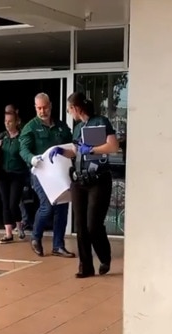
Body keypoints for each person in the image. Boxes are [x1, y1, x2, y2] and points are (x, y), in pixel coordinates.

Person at [49, 92, 120, 278]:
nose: (68, 112)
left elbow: (113, 146)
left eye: (69, 108)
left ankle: (105, 257)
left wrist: (92, 149)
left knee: (93, 225)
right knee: (80, 226)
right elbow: (75, 150)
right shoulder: (78, 127)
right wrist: (60, 151)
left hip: (98, 179)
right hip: (80, 179)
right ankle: (85, 267)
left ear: (76, 108)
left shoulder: (101, 122)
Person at [19, 93, 75, 258]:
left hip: (59, 173)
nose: (42, 111)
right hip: (41, 174)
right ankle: (36, 238)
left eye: (45, 107)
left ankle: (58, 245)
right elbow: (23, 149)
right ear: (35, 107)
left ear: (50, 106)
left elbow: (71, 144)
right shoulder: (30, 127)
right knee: (47, 206)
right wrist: (31, 159)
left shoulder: (60, 126)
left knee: (62, 207)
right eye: (39, 108)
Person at [0, 103, 28, 243]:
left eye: (10, 122)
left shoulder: (21, 137)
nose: (7, 124)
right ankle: (8, 233)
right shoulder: (2, 136)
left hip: (17, 174)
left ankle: (20, 224)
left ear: (16, 122)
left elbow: (25, 154)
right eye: (5, 122)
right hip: (3, 173)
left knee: (13, 203)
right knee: (5, 203)